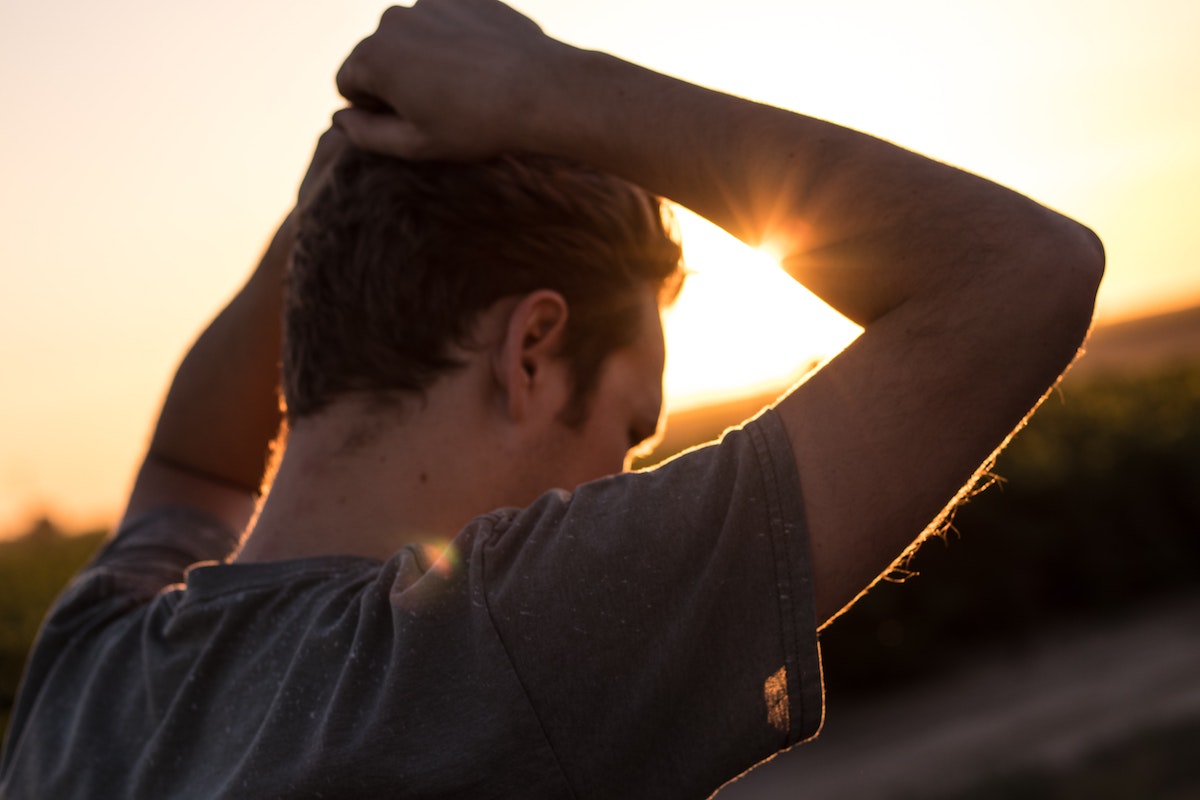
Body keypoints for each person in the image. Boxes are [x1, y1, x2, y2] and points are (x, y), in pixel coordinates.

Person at [0, 1, 1104, 797]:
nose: (617, 483)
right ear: (531, 351)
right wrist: (551, 89)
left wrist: (333, 200)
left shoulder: (92, 663)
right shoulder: (496, 653)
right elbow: (1021, 274)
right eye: (628, 431)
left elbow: (194, 467)